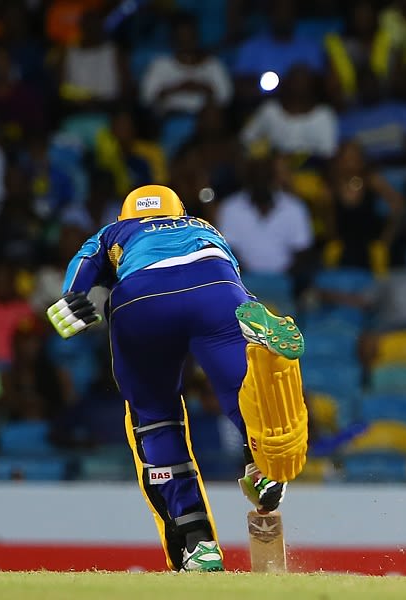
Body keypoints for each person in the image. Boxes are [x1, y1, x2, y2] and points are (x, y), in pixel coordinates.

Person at [45, 185, 309, 572]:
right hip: (218, 293)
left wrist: (71, 297)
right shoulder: (202, 226)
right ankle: (264, 465)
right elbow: (230, 281)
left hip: (143, 299)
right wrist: (245, 305)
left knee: (155, 418)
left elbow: (86, 259)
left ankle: (196, 543)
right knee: (242, 389)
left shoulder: (117, 231)